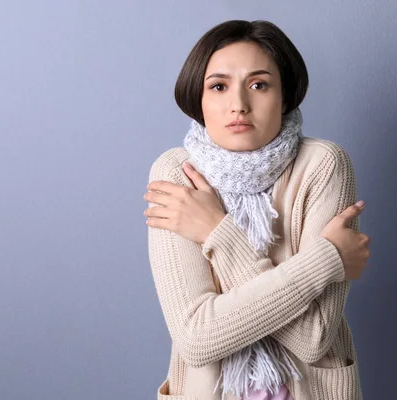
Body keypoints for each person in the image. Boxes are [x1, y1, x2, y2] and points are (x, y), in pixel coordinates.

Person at [144, 19, 370, 400]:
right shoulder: (176, 173)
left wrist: (217, 231)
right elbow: (197, 339)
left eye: (259, 85)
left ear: (284, 97)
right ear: (198, 100)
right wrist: (326, 259)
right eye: (218, 86)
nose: (238, 105)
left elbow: (313, 338)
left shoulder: (324, 165)